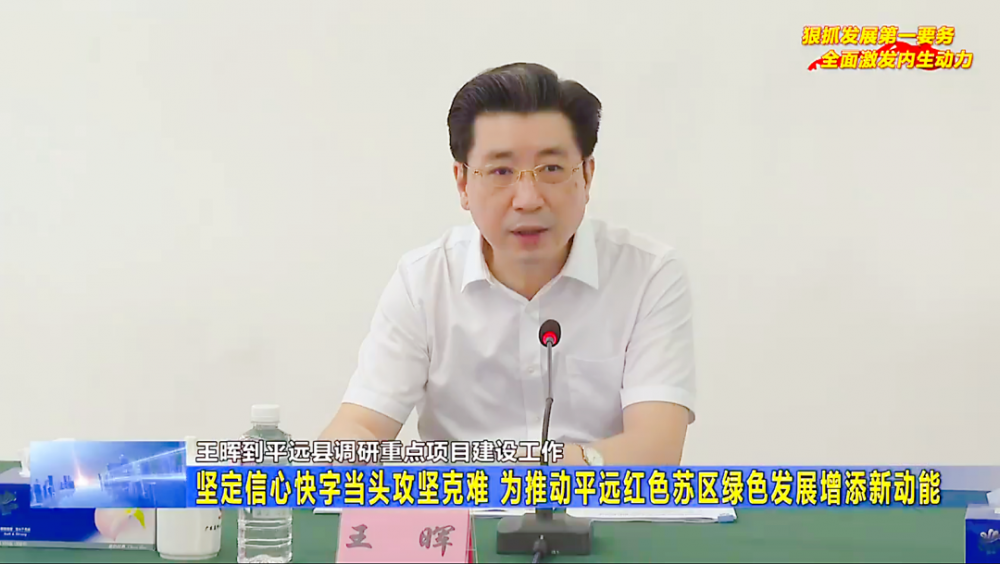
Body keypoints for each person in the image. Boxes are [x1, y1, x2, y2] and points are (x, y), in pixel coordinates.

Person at [321, 62, 695, 466]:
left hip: (594, 505)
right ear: (463, 183)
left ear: (586, 176)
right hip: (460, 506)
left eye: (551, 169)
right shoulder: (423, 282)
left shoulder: (648, 275)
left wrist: (519, 472)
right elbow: (354, 430)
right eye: (501, 171)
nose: (527, 199)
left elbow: (656, 449)